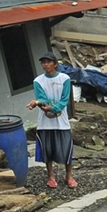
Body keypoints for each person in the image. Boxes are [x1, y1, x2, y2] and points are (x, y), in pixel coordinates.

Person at [27, 53, 76, 189]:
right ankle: (51, 176)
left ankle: (69, 176)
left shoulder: (64, 79)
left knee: (66, 150)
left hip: (62, 122)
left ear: (55, 64)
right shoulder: (38, 81)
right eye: (43, 62)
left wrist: (53, 109)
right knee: (47, 150)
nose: (46, 65)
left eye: (48, 62)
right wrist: (38, 103)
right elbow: (42, 98)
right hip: (45, 122)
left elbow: (64, 99)